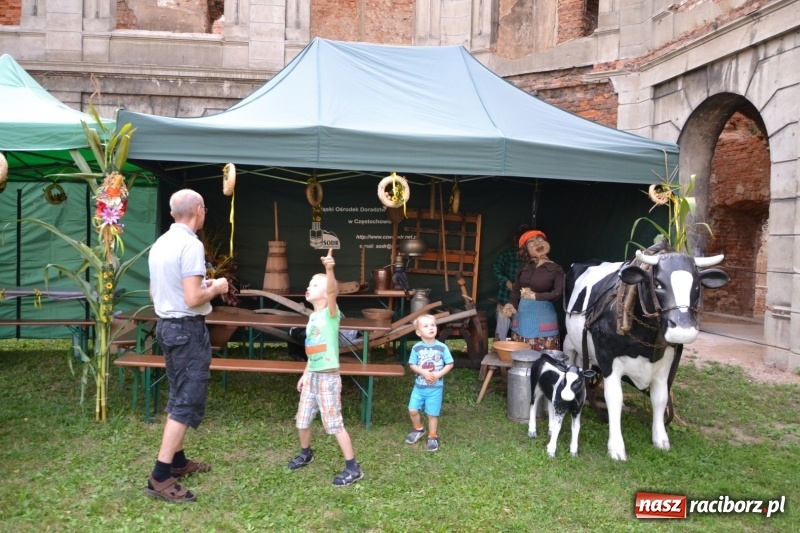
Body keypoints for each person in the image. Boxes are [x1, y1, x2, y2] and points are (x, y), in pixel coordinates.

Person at [146, 189, 229, 503]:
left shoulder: (160, 244)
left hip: (166, 327)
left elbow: (158, 293)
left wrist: (200, 287)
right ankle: (160, 476)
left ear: (172, 213)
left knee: (178, 390)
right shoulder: (191, 244)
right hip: (187, 330)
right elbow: (193, 299)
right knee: (186, 400)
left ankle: (178, 463)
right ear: (199, 209)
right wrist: (217, 286)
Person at [287, 249, 363, 486]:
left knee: (334, 423)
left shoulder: (332, 314)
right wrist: (305, 374)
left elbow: (332, 291)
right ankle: (306, 452)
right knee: (303, 419)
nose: (309, 286)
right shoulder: (312, 317)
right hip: (313, 377)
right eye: (310, 283)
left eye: (315, 284)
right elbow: (312, 349)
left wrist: (329, 270)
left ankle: (353, 467)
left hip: (328, 378)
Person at [502, 229, 564, 351]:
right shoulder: (524, 268)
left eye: (540, 240)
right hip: (522, 319)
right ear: (526, 250)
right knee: (521, 359)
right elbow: (515, 292)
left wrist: (536, 296)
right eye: (531, 243)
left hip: (543, 320)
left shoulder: (556, 269)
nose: (537, 244)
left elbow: (558, 293)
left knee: (543, 360)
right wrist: (510, 304)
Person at [404, 314, 454, 452]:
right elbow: (412, 364)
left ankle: (433, 436)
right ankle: (418, 429)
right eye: (426, 326)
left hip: (435, 388)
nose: (431, 328)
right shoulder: (416, 348)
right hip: (419, 387)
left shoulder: (442, 347)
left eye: (433, 325)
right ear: (418, 332)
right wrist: (423, 372)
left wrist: (438, 374)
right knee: (412, 410)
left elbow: (450, 364)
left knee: (432, 414)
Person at [492, 224, 531, 341]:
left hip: (526, 301)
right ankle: (498, 351)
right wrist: (507, 282)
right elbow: (496, 269)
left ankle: (520, 352)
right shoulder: (507, 254)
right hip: (505, 298)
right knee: (501, 330)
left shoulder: (534, 258)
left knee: (522, 330)